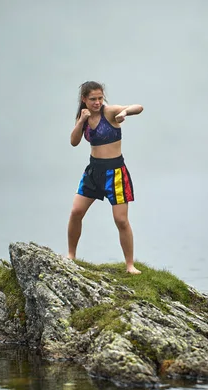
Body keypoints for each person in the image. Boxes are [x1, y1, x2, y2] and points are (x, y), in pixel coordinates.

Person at [67, 80, 143, 274]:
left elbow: (139, 107)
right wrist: (82, 121)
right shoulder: (82, 117)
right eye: (93, 99)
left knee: (121, 220)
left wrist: (125, 112)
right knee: (76, 212)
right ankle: (71, 255)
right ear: (84, 99)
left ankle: (129, 265)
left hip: (115, 172)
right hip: (93, 172)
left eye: (100, 98)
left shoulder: (109, 112)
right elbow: (74, 142)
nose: (97, 102)